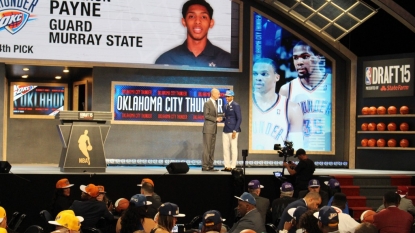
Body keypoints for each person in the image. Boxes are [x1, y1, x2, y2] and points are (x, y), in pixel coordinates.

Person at [279, 41, 332, 151]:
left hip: (327, 149)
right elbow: (281, 126)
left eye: (305, 56)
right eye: (296, 58)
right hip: (299, 151)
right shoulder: (286, 89)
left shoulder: (333, 82)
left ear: (318, 57)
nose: (299, 62)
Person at [154, 0, 231, 68]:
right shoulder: (166, 60)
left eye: (203, 17)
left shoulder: (227, 61)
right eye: (192, 16)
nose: (197, 21)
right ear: (184, 22)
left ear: (211, 23)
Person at [251, 58, 303, 150]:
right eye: (255, 74)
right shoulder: (243, 105)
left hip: (278, 162)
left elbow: (296, 148)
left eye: (264, 74)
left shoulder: (291, 108)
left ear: (277, 77)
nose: (258, 78)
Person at [221, 90, 242, 172]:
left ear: (232, 97)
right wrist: (220, 119)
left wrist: (235, 130)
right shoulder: (225, 106)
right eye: (226, 96)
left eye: (228, 96)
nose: (227, 98)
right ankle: (227, 166)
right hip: (226, 129)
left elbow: (239, 119)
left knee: (233, 148)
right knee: (225, 148)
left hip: (233, 129)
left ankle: (233, 166)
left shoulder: (235, 105)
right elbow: (225, 117)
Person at [202, 88, 222, 171]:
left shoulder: (215, 103)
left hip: (214, 129)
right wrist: (216, 119)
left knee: (212, 148)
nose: (219, 95)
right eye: (218, 93)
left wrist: (220, 117)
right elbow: (206, 115)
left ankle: (210, 165)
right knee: (207, 148)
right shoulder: (207, 103)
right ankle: (205, 165)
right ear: (213, 94)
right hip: (208, 129)